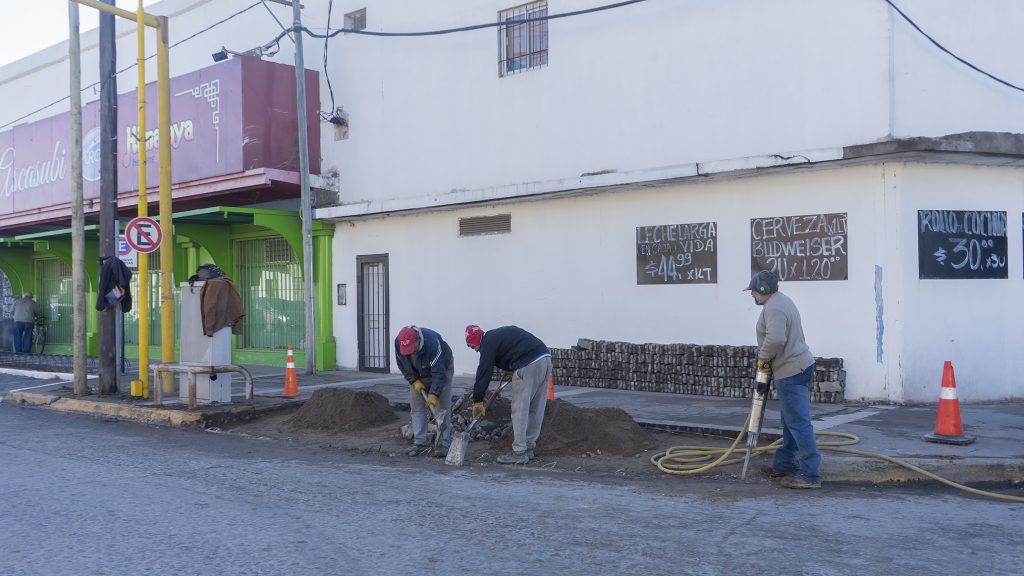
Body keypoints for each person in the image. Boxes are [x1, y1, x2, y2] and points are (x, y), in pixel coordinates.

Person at [745, 270, 820, 489]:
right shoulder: (781, 301)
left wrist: (762, 357)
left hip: (791, 369)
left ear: (762, 290)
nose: (752, 295)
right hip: (797, 366)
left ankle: (810, 474)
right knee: (790, 421)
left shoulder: (775, 307)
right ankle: (785, 463)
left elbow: (776, 338)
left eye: (753, 291)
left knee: (798, 422)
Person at [465, 324, 551, 465]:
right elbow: (513, 348)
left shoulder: (486, 343)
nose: (474, 350)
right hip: (545, 359)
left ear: (476, 340)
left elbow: (484, 371)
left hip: (528, 364)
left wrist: (478, 400)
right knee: (536, 408)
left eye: (472, 346)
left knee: (520, 409)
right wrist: (510, 367)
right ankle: (528, 447)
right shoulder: (496, 336)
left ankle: (519, 452)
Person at [394, 326, 454, 457]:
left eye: (411, 349)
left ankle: (444, 444)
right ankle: (420, 442)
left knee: (441, 409)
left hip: (442, 369)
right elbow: (401, 364)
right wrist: (413, 380)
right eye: (406, 351)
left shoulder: (431, 343)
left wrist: (434, 393)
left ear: (417, 340)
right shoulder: (398, 342)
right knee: (416, 408)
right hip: (417, 374)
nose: (409, 353)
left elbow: (439, 372)